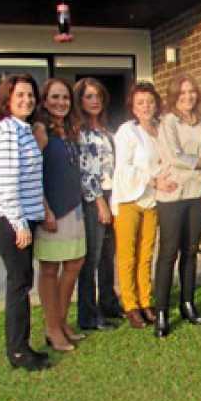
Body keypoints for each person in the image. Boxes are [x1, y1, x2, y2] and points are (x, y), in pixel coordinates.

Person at [0, 74, 47, 370]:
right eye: (20, 95)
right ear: (7, 99)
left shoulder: (22, 129)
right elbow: (6, 181)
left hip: (22, 217)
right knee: (19, 284)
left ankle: (21, 346)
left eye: (30, 95)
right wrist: (20, 223)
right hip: (12, 219)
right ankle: (18, 352)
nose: (27, 100)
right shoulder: (8, 130)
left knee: (22, 282)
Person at [112, 82, 176, 330]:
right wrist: (152, 180)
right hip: (129, 198)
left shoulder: (160, 130)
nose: (146, 107)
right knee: (128, 255)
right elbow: (123, 167)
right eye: (140, 103)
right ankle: (130, 305)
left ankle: (145, 301)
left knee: (146, 253)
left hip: (152, 200)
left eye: (150, 102)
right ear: (133, 107)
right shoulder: (128, 131)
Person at [153, 73, 201, 337]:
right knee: (168, 254)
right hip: (173, 195)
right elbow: (174, 156)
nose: (188, 97)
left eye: (191, 92)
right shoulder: (169, 122)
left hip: (196, 193)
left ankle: (187, 303)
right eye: (182, 93)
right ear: (174, 96)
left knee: (191, 251)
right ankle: (162, 312)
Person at [32, 78, 86, 352]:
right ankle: (52, 328)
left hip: (74, 207)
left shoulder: (69, 130)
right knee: (50, 269)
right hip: (52, 208)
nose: (61, 102)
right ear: (44, 100)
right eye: (54, 97)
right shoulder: (40, 130)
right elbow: (32, 172)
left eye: (65, 97)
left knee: (75, 262)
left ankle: (61, 321)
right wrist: (44, 209)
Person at [74, 78, 122, 332]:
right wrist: (100, 201)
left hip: (113, 194)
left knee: (107, 256)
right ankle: (88, 315)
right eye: (89, 96)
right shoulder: (81, 132)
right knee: (91, 258)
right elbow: (86, 172)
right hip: (94, 198)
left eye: (98, 96)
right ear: (80, 100)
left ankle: (109, 303)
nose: (95, 101)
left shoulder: (105, 130)